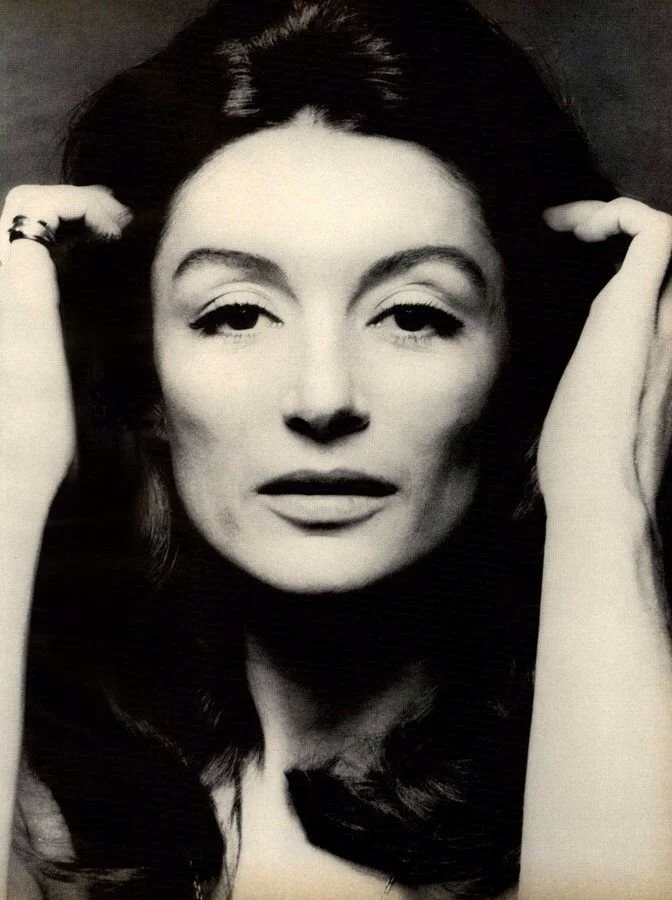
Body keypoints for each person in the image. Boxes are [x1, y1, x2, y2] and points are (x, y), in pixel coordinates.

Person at [1, 0, 672, 897]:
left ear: (521, 369)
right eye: (238, 314)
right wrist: (10, 471)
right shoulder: (40, 826)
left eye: (414, 316)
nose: (323, 399)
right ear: (144, 380)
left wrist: (602, 502)